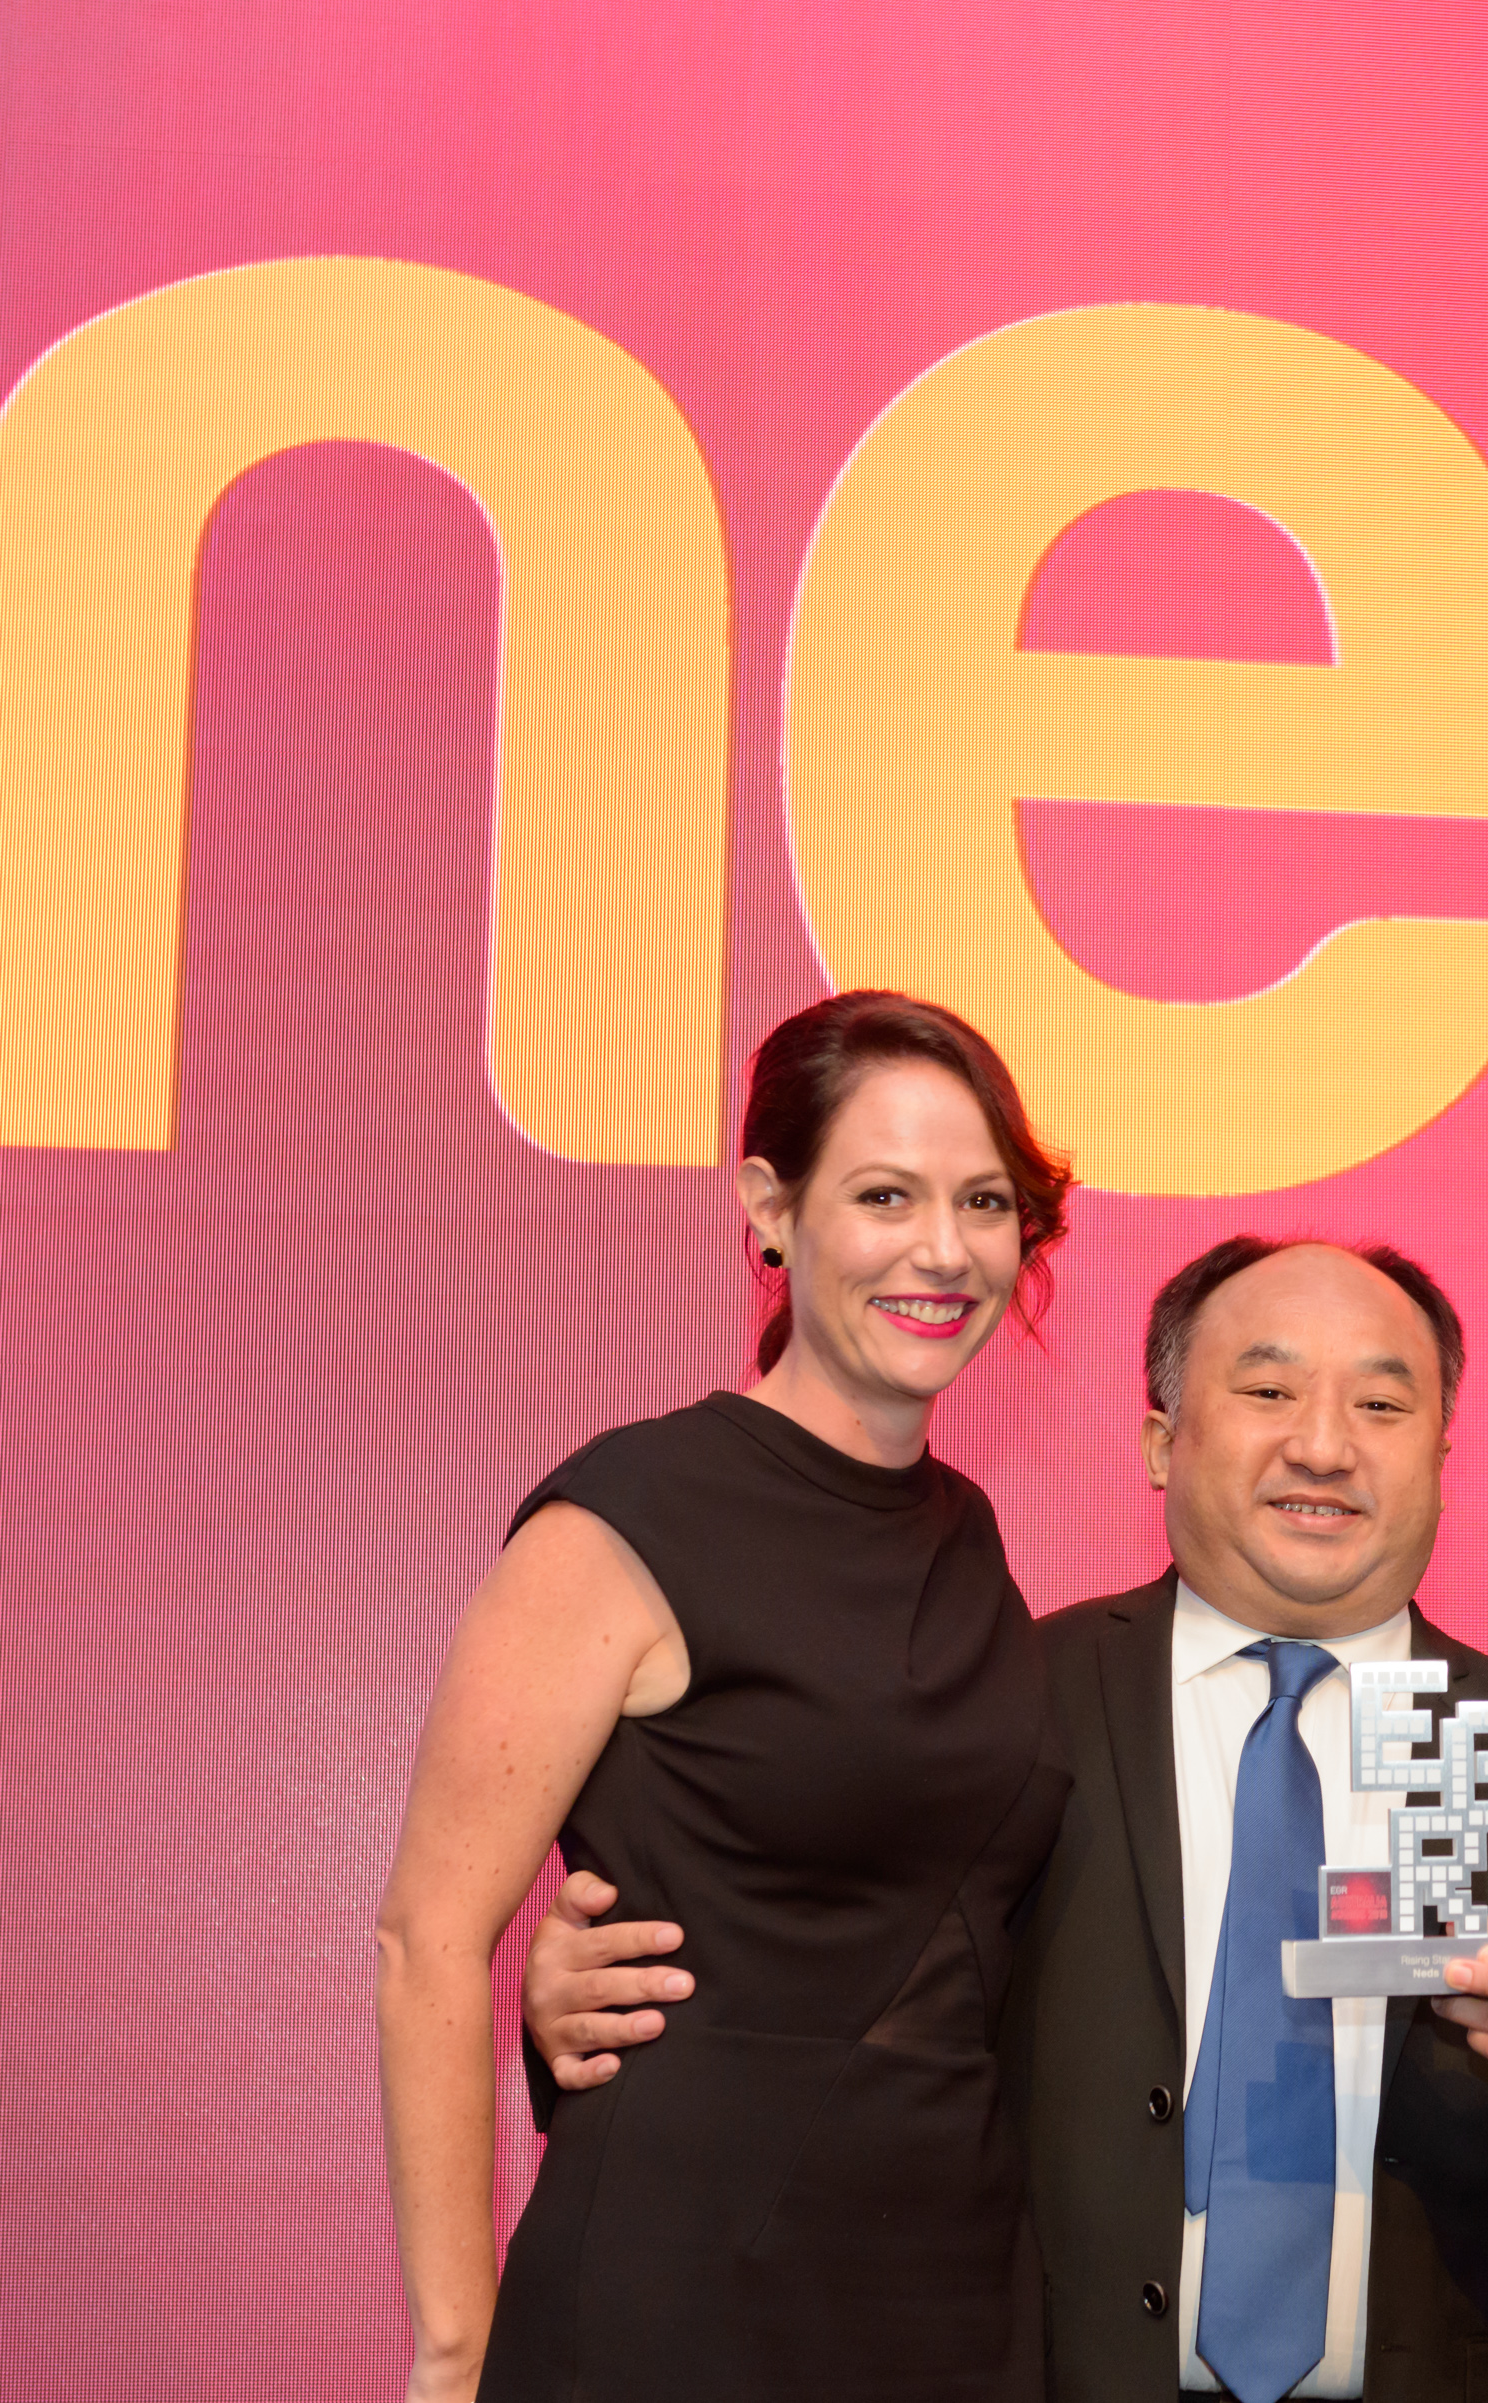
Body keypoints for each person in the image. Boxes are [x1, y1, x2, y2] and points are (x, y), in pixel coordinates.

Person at [528, 1236, 1488, 2401]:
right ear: (1163, 1442)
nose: (1324, 1446)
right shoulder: (1001, 1705)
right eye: (1268, 1390)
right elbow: (826, 1984)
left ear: (1440, 1452)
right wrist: (604, 2002)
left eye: (1381, 1406)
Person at [372, 991, 1077, 2403]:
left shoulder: (969, 1535)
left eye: (985, 1201)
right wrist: (455, 2351)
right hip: (687, 2291)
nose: (945, 1249)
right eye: (885, 1194)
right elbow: (427, 1939)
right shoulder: (627, 1518)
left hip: (951, 2297)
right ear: (771, 1207)